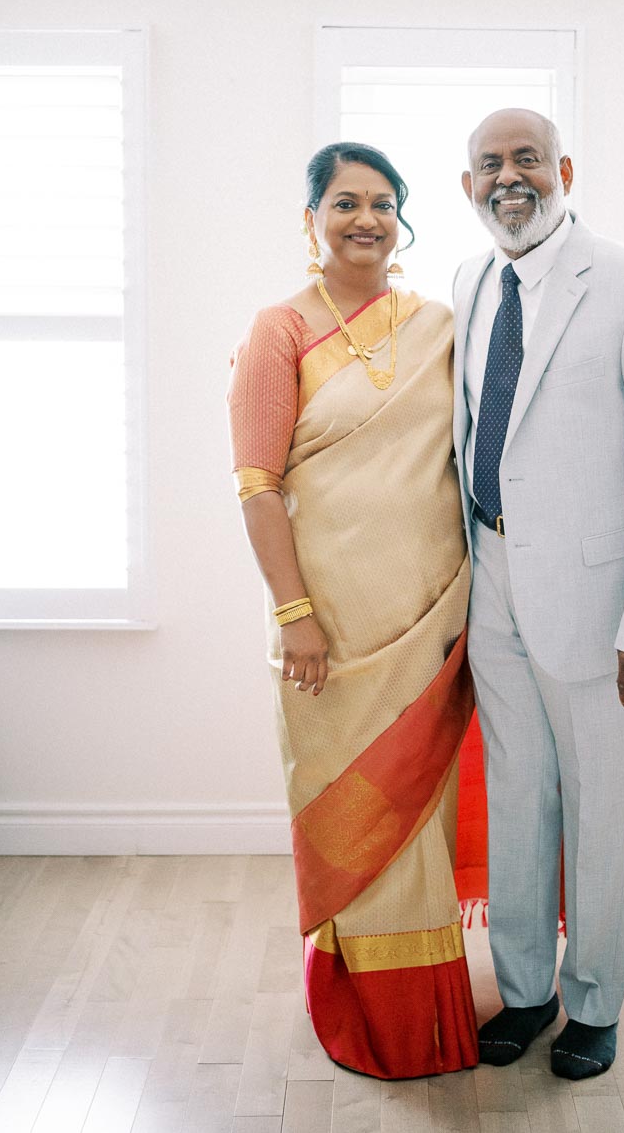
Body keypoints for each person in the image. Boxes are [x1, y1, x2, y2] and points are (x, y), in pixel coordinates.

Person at [452, 109, 624, 1080]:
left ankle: (595, 1000)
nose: (508, 178)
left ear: (562, 170)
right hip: (494, 580)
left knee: (600, 805)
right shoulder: (471, 281)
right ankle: (526, 992)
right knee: (518, 797)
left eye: (525, 160)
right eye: (488, 165)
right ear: (467, 185)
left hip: (602, 603)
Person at [227, 142, 478, 1080]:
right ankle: (361, 1011)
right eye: (344, 203)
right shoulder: (279, 329)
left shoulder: (442, 325)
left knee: (422, 813)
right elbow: (256, 486)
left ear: (402, 218)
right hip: (327, 620)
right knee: (349, 811)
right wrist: (295, 614)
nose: (365, 218)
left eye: (382, 203)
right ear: (312, 219)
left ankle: (429, 1013)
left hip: (429, 612)